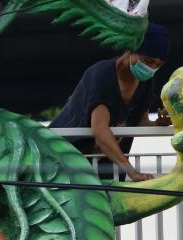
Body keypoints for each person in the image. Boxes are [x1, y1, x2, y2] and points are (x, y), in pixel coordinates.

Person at [50, 23, 171, 182]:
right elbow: (100, 130)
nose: (152, 69)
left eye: (158, 65)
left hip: (105, 172)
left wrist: (158, 124)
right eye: (148, 61)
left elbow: (140, 122)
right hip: (63, 165)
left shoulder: (145, 82)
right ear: (130, 51)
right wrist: (132, 172)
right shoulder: (101, 76)